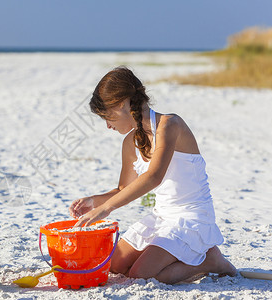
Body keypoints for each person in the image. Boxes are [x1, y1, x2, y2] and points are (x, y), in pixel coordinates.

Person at [69, 67, 236, 284]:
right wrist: (93, 201)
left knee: (141, 275)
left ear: (122, 104)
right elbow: (122, 190)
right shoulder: (130, 143)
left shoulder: (170, 124)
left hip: (191, 218)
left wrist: (105, 209)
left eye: (107, 116)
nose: (108, 125)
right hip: (162, 217)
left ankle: (211, 261)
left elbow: (153, 176)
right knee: (115, 266)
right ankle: (172, 255)